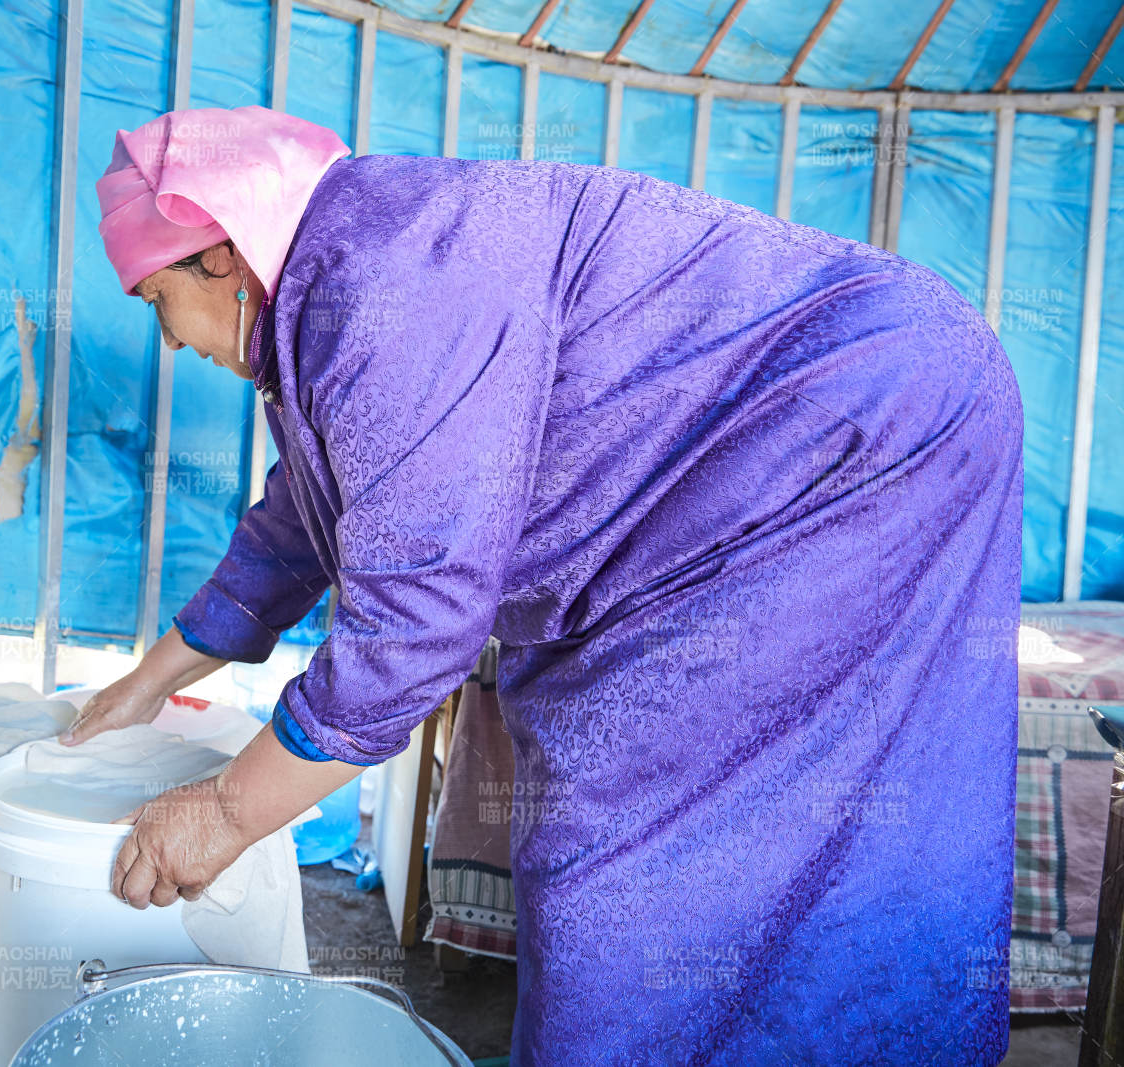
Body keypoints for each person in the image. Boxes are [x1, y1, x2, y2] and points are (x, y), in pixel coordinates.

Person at [60, 104, 1023, 1065]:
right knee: (791, 827)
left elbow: (415, 627)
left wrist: (226, 812)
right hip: (862, 411)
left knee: (642, 839)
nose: (172, 342)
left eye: (156, 303)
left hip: (852, 425)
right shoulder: (332, 279)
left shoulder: (384, 278)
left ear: (221, 255)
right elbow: (302, 523)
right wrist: (148, 681)